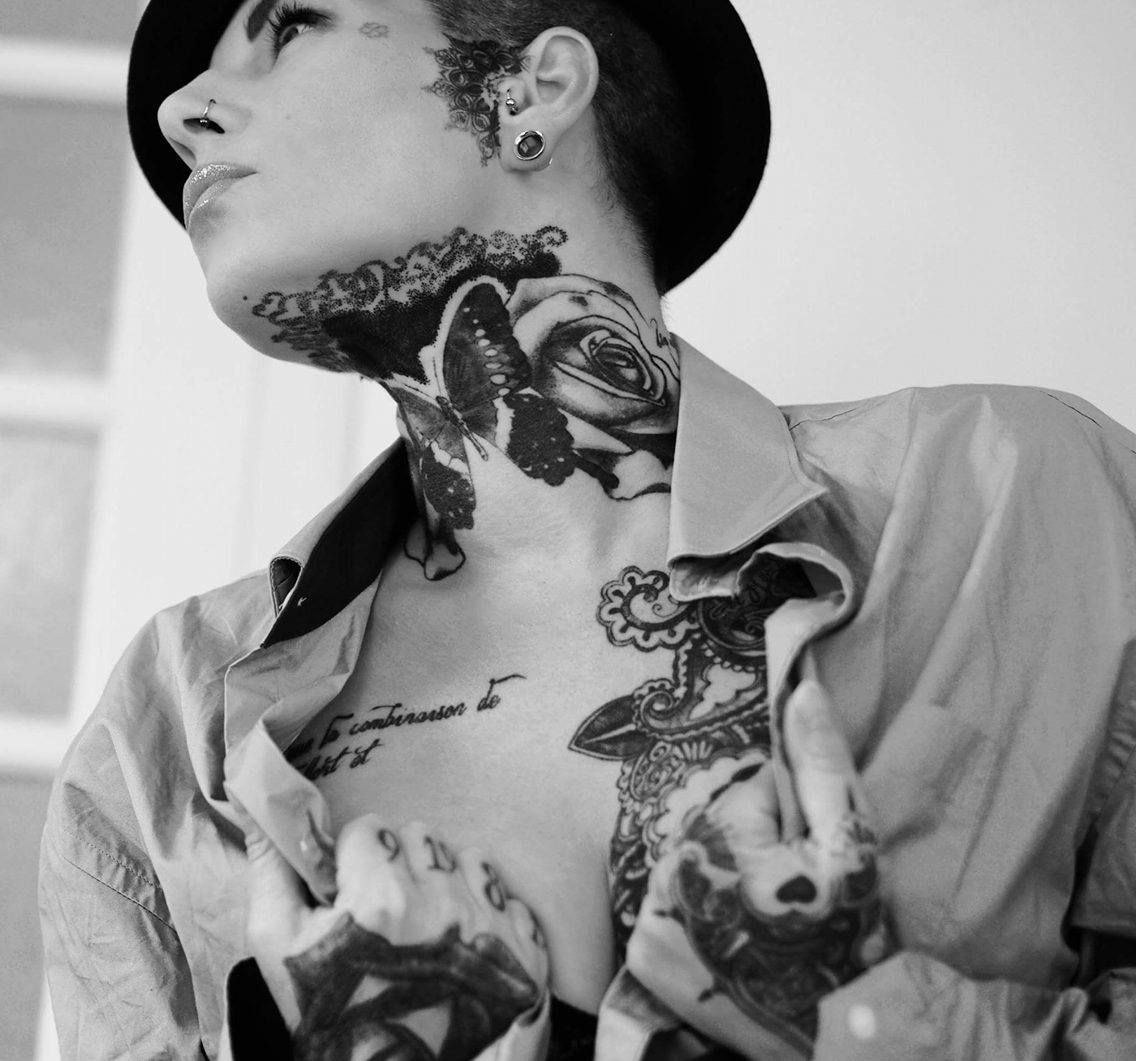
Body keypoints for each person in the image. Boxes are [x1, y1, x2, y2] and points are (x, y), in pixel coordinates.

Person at [37, 0, 1136, 1057]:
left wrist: (853, 1026)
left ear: (535, 89)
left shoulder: (1007, 497)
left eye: (289, 24)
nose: (180, 111)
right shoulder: (168, 730)